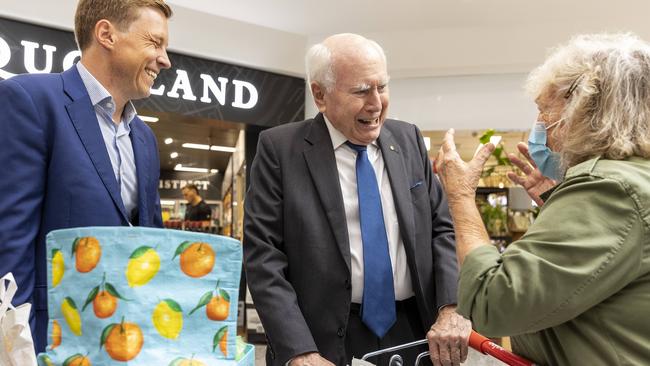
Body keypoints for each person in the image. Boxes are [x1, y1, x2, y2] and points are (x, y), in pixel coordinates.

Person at [244, 33, 471, 366]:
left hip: (413, 332)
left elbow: (441, 229)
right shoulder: (280, 150)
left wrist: (450, 307)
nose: (376, 103)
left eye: (382, 87)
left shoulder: (407, 140)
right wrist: (300, 351)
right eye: (362, 90)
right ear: (319, 95)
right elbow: (264, 257)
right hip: (320, 341)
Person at [435, 33, 650, 365]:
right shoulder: (634, 177)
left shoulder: (609, 188)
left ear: (583, 108)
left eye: (544, 109)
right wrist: (557, 203)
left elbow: (493, 303)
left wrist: (461, 197)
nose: (539, 125)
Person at [0, 0, 172, 352]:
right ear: (106, 34)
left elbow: (150, 244)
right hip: (52, 339)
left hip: (126, 339)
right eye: (155, 43)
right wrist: (21, 349)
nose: (165, 59)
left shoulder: (145, 138)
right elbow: (9, 241)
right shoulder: (30, 101)